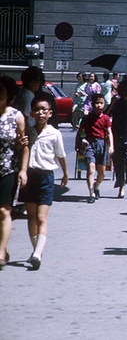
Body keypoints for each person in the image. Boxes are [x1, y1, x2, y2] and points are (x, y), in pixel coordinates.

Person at [20, 95, 67, 270]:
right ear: (32, 113)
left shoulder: (54, 133)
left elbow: (61, 155)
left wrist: (65, 174)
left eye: (44, 110)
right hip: (30, 176)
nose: (41, 113)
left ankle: (38, 253)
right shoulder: (28, 131)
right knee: (31, 217)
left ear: (50, 113)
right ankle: (36, 252)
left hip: (46, 177)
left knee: (41, 217)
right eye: (37, 109)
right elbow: (22, 151)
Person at [0, 75, 28, 269]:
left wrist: (23, 170)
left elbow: (24, 146)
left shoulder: (16, 116)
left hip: (7, 169)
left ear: (8, 94)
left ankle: (1, 251)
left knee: (4, 211)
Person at [78, 93, 113, 203]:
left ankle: (96, 186)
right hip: (89, 144)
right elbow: (80, 132)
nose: (99, 105)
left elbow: (109, 132)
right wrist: (78, 143)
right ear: (92, 104)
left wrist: (111, 146)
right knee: (90, 170)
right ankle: (91, 193)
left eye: (101, 103)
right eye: (97, 103)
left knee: (101, 173)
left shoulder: (106, 118)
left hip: (101, 144)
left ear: (104, 104)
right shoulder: (87, 118)